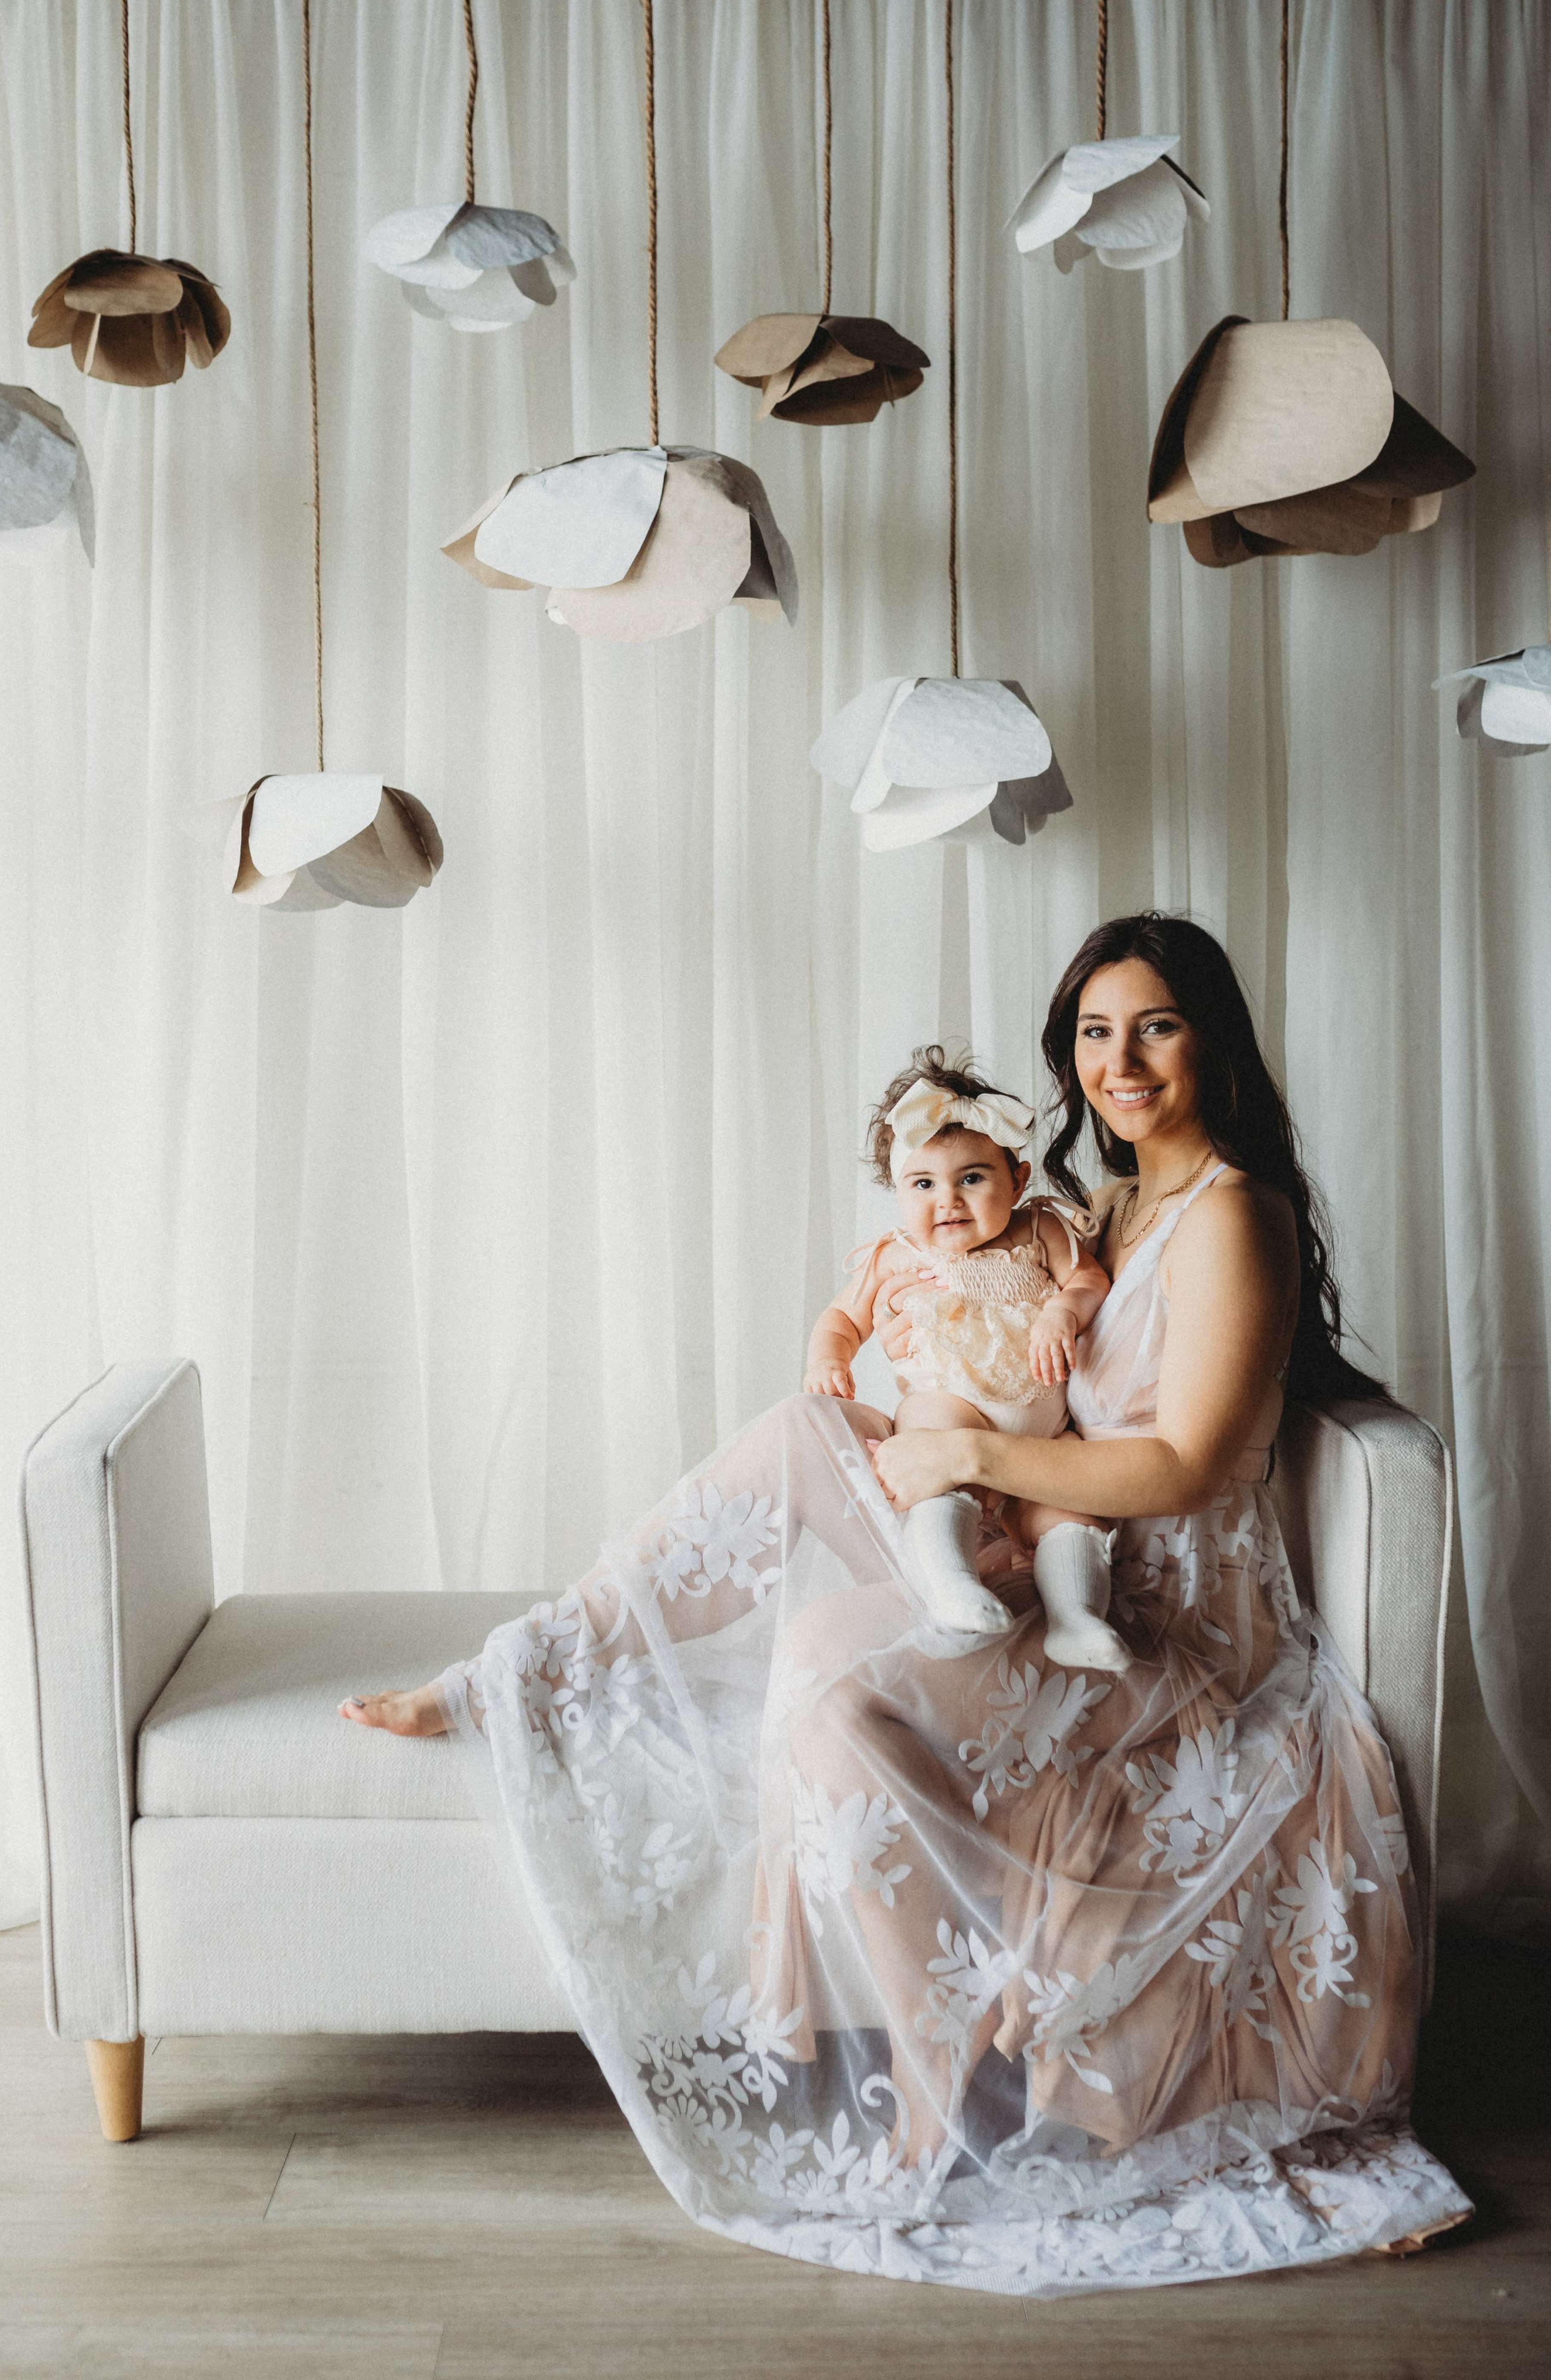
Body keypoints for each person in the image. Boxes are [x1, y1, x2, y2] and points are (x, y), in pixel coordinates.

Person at [339, 913, 1469, 2295]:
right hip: (1037, 1550)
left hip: (1163, 1625)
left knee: (827, 1671)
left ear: (1211, 1041)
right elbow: (988, 1348)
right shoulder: (1098, 1207)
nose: (1124, 1060)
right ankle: (533, 1664)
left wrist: (969, 1456)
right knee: (800, 1434)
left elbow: (1186, 1466)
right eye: (1097, 1034)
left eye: (1156, 1026)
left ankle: (938, 2088)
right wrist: (912, 1416)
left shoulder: (1235, 1212)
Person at [804, 1046, 1127, 1669]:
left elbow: (1088, 1280)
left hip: (1041, 1440)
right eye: (923, 1184)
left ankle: (1077, 1618)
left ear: (1018, 1179)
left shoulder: (1041, 1230)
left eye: (971, 1178)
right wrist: (829, 1358)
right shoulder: (895, 1256)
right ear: (898, 1191)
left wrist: (1064, 1309)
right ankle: (950, 1586)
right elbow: (842, 1318)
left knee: (1072, 1509)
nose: (947, 1200)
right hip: (950, 1423)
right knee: (938, 1451)